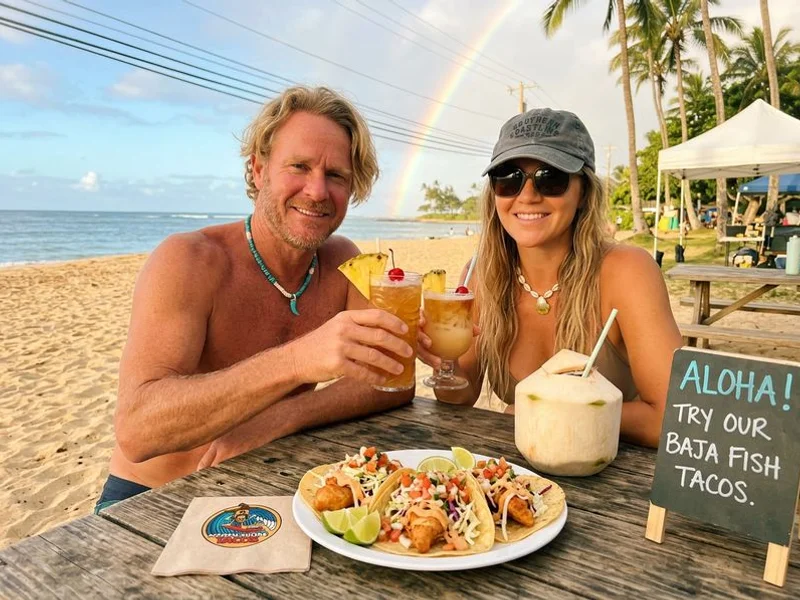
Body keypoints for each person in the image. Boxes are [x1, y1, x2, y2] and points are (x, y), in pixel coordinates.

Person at [97, 86, 415, 512]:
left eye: (336, 175)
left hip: (266, 486)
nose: (317, 191)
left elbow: (393, 380)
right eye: (299, 166)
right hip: (153, 498)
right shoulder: (190, 259)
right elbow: (137, 430)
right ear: (259, 170)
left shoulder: (343, 262)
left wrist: (284, 416)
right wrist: (297, 360)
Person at [418, 108, 682, 448]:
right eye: (508, 177)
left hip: (613, 469)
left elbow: (670, 419)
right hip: (517, 472)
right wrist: (444, 364)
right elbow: (461, 397)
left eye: (550, 177)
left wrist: (546, 409)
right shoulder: (481, 274)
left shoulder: (627, 271)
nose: (527, 195)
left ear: (583, 192)